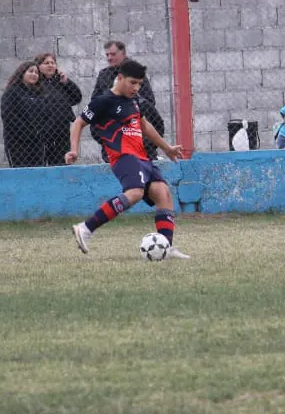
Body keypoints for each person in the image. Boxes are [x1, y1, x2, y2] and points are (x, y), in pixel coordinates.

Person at [65, 59, 190, 260]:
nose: (136, 87)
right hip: (123, 156)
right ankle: (86, 228)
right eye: (133, 82)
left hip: (142, 156)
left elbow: (144, 125)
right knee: (135, 193)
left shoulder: (133, 100)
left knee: (163, 193)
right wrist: (73, 150)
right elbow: (78, 123)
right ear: (120, 78)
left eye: (140, 83)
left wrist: (166, 148)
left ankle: (165, 247)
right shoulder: (103, 101)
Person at [93, 40, 165, 161]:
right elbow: (95, 102)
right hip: (112, 136)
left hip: (136, 132)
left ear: (123, 54)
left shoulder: (135, 72)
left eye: (113, 54)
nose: (109, 58)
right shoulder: (103, 75)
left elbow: (149, 100)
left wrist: (128, 109)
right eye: (107, 55)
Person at [34, 53, 83, 167]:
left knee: (61, 163)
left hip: (61, 130)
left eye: (53, 63)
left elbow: (77, 97)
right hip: (42, 130)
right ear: (38, 66)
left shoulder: (60, 83)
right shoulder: (36, 84)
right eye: (46, 63)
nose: (50, 65)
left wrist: (66, 82)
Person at [0, 60, 46, 167]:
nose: (34, 74)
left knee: (37, 172)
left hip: (37, 142)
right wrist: (28, 132)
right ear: (22, 73)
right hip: (17, 142)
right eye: (31, 71)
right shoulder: (12, 92)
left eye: (36, 72)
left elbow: (45, 115)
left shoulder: (39, 94)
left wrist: (40, 132)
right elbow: (8, 115)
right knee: (20, 172)